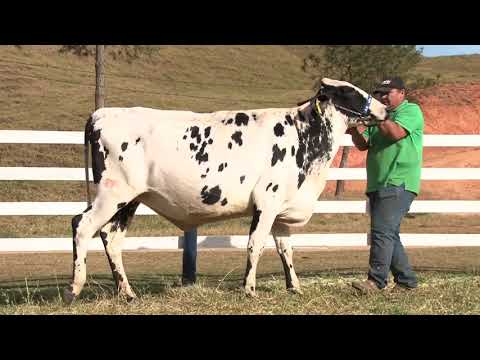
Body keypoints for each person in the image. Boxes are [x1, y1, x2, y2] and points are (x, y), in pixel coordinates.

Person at [347, 77, 424, 293]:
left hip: (398, 181)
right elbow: (364, 144)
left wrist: (377, 115)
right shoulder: (380, 117)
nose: (382, 97)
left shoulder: (411, 111)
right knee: (389, 233)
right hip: (379, 183)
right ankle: (406, 282)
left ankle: (375, 282)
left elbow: (395, 133)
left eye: (387, 93)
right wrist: (354, 128)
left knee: (382, 232)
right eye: (379, 93)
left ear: (402, 93)